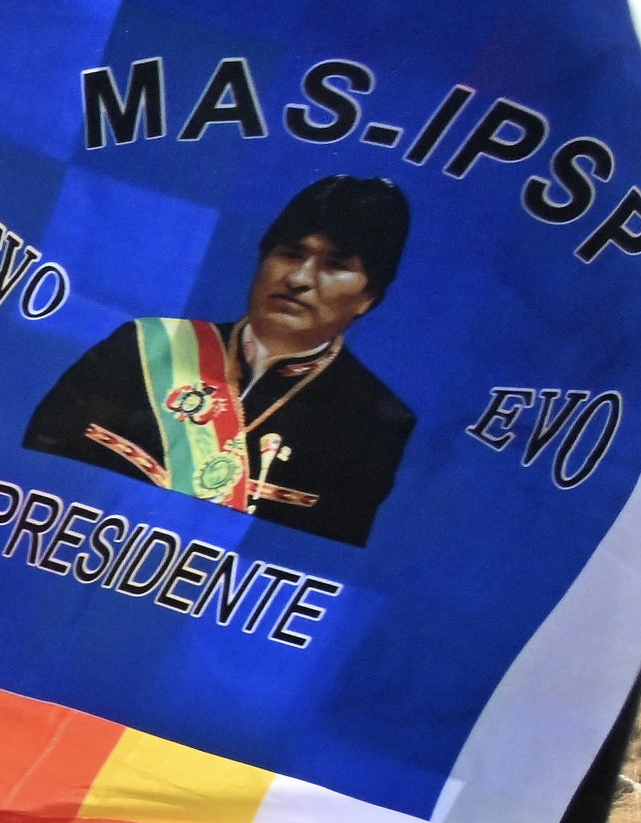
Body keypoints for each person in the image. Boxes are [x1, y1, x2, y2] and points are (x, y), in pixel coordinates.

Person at [22, 172, 417, 546]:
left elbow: (312, 558)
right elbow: (33, 469)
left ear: (370, 296)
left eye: (334, 265)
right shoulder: (142, 346)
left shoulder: (373, 422)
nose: (299, 278)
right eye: (290, 253)